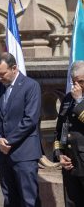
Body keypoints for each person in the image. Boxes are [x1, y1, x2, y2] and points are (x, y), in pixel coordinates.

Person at [0, 52, 42, 207]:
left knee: (28, 199)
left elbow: (30, 119)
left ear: (14, 68)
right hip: (4, 154)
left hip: (24, 153)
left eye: (2, 74)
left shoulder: (30, 86)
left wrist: (8, 141)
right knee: (9, 198)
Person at [54, 61, 84, 207]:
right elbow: (60, 129)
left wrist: (79, 102)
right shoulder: (67, 99)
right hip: (71, 163)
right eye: (74, 82)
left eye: (81, 82)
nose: (76, 86)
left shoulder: (76, 98)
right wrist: (60, 153)